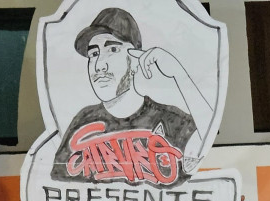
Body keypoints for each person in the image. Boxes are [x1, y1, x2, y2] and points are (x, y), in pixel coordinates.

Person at [53, 8, 210, 185]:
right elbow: (59, 190)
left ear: (136, 59)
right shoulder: (83, 122)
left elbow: (209, 138)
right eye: (94, 54)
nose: (99, 66)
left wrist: (179, 74)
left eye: (112, 49)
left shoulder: (173, 121)